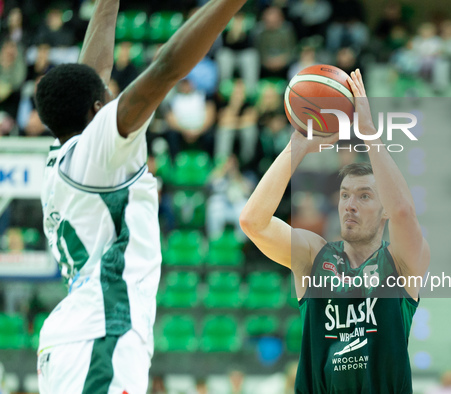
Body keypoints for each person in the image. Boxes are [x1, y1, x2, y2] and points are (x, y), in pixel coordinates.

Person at [35, 0, 247, 392]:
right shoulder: (99, 149)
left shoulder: (63, 157)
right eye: (106, 96)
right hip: (101, 333)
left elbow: (92, 75)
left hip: (79, 337)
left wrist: (106, 6)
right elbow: (166, 69)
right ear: (98, 110)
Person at [240, 69, 430, 393]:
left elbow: (404, 211)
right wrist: (296, 146)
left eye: (364, 196)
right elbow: (252, 222)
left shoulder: (402, 264)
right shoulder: (315, 255)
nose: (349, 205)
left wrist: (369, 132)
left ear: (384, 211)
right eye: (344, 195)